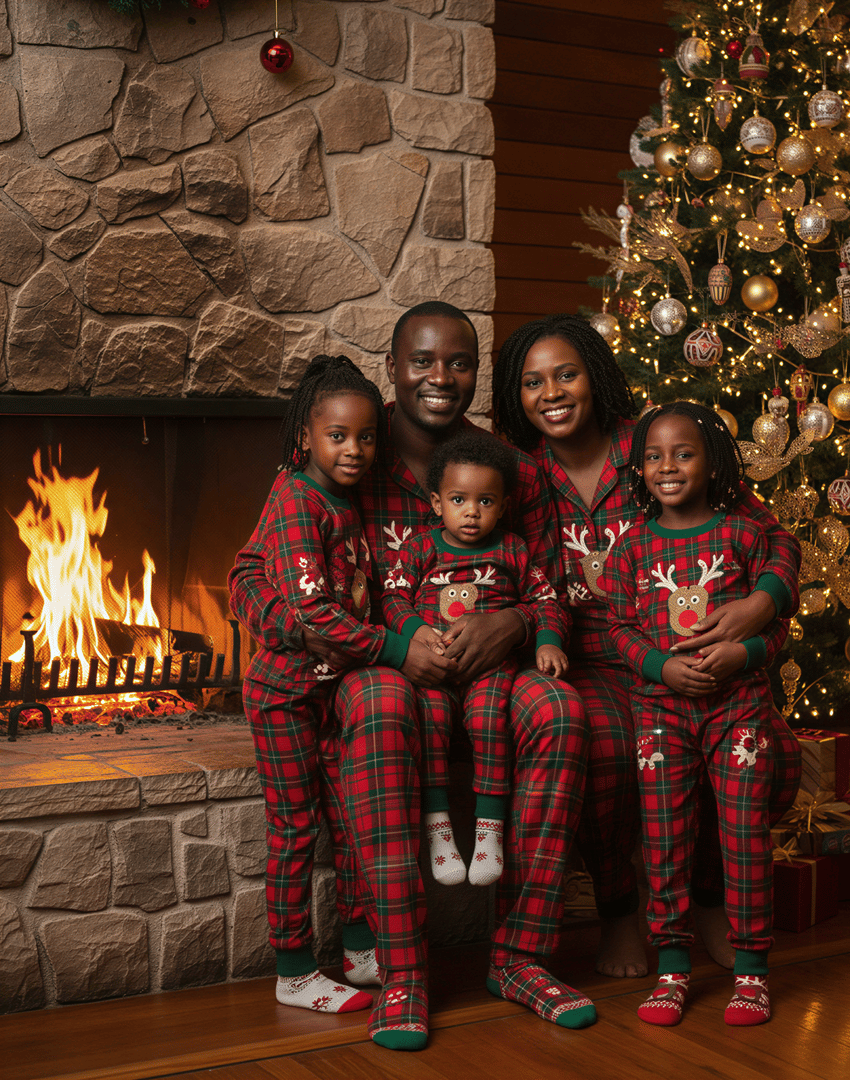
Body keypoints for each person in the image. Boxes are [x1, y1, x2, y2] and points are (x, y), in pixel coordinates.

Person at [230, 303, 595, 1050]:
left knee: (560, 710)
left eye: (459, 363)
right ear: (394, 367)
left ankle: (521, 959)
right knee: (379, 702)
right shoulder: (346, 447)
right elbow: (248, 573)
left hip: (495, 667)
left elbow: (551, 586)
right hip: (381, 662)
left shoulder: (510, 471)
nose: (440, 377)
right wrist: (313, 631)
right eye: (423, 361)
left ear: (477, 373)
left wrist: (515, 623)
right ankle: (403, 973)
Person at [492, 315, 802, 978]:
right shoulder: (520, 475)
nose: (552, 393)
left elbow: (769, 534)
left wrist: (762, 601)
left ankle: (711, 900)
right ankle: (619, 911)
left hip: (690, 648)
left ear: (596, 376)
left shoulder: (658, 443)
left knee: (766, 751)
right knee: (607, 752)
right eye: (532, 382)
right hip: (585, 657)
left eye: (567, 374)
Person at [603, 401, 795, 1027]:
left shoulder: (743, 534)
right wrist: (661, 667)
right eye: (654, 457)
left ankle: (752, 973)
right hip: (660, 717)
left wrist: (745, 652)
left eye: (683, 454)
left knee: (743, 837)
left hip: (738, 713)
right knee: (664, 840)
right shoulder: (630, 547)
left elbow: (779, 627)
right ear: (639, 469)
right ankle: (672, 970)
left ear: (711, 463)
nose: (668, 467)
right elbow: (618, 629)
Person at [230, 356, 406, 1015]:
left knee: (350, 820)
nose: (354, 449)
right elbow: (314, 613)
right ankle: (295, 970)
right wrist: (394, 649)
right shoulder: (297, 499)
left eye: (366, 437)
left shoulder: (342, 497)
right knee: (296, 827)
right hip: (284, 696)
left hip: (332, 690)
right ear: (306, 437)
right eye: (338, 436)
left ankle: (359, 949)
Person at [381, 430, 569, 888]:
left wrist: (547, 642)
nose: (471, 511)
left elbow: (546, 600)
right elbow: (392, 597)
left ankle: (490, 831)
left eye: (485, 501)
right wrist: (417, 631)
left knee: (489, 721)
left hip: (490, 669)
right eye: (458, 499)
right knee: (431, 723)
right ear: (436, 502)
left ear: (503, 506)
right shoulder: (421, 548)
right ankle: (438, 828)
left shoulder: (512, 549)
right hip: (434, 666)